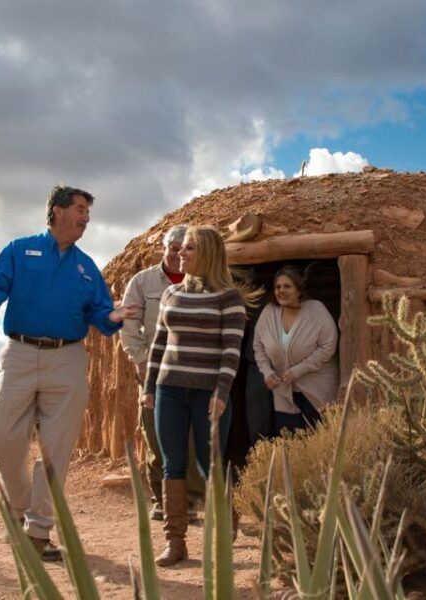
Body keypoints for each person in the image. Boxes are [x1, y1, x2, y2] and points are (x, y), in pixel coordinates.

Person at [0, 185, 138, 561]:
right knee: (3, 442)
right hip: (20, 355)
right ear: (57, 211)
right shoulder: (19, 251)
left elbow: (99, 313)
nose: (86, 218)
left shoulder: (86, 267)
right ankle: (24, 509)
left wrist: (113, 316)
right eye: (79, 209)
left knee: (56, 450)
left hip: (67, 359)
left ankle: (39, 531)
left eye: (88, 213)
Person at [142, 225, 250, 567]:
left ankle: (223, 528)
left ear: (207, 254)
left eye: (188, 248)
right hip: (169, 390)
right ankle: (175, 543)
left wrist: (221, 393)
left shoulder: (229, 298)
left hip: (208, 394)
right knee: (172, 463)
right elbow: (160, 344)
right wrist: (149, 388)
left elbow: (231, 352)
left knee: (210, 466)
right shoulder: (171, 295)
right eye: (179, 248)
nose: (180, 253)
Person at [119, 225, 205, 522]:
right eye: (173, 246)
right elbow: (129, 328)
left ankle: (189, 502)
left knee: (192, 439)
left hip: (193, 370)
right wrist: (142, 364)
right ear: (164, 247)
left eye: (185, 247)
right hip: (155, 372)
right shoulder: (143, 282)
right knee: (156, 437)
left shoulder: (204, 282)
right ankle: (161, 499)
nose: (178, 252)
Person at [253, 266, 339, 435]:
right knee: (289, 440)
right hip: (284, 391)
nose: (281, 291)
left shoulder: (316, 310)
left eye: (287, 286)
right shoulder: (269, 313)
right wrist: (267, 372)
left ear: (299, 290)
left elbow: (328, 346)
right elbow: (258, 346)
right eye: (278, 287)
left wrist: (298, 370)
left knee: (318, 441)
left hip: (317, 388)